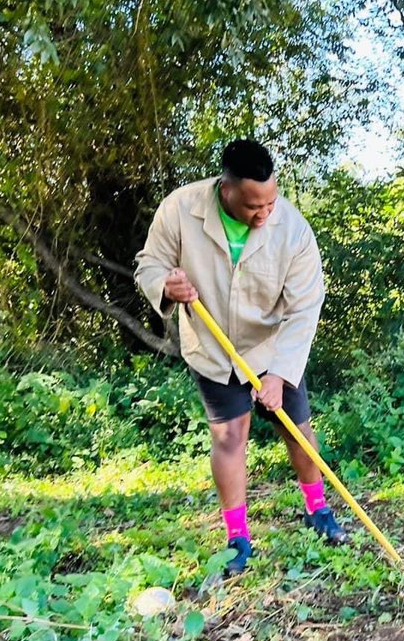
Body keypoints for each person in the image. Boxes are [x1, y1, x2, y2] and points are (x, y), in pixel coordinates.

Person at [135, 139, 348, 578]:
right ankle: (237, 539)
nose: (264, 213)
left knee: (298, 431)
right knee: (230, 438)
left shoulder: (292, 229)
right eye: (254, 206)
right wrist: (165, 286)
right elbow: (149, 264)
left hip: (273, 348)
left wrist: (280, 375)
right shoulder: (180, 209)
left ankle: (317, 509)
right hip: (213, 350)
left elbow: (305, 307)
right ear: (226, 190)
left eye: (270, 201)